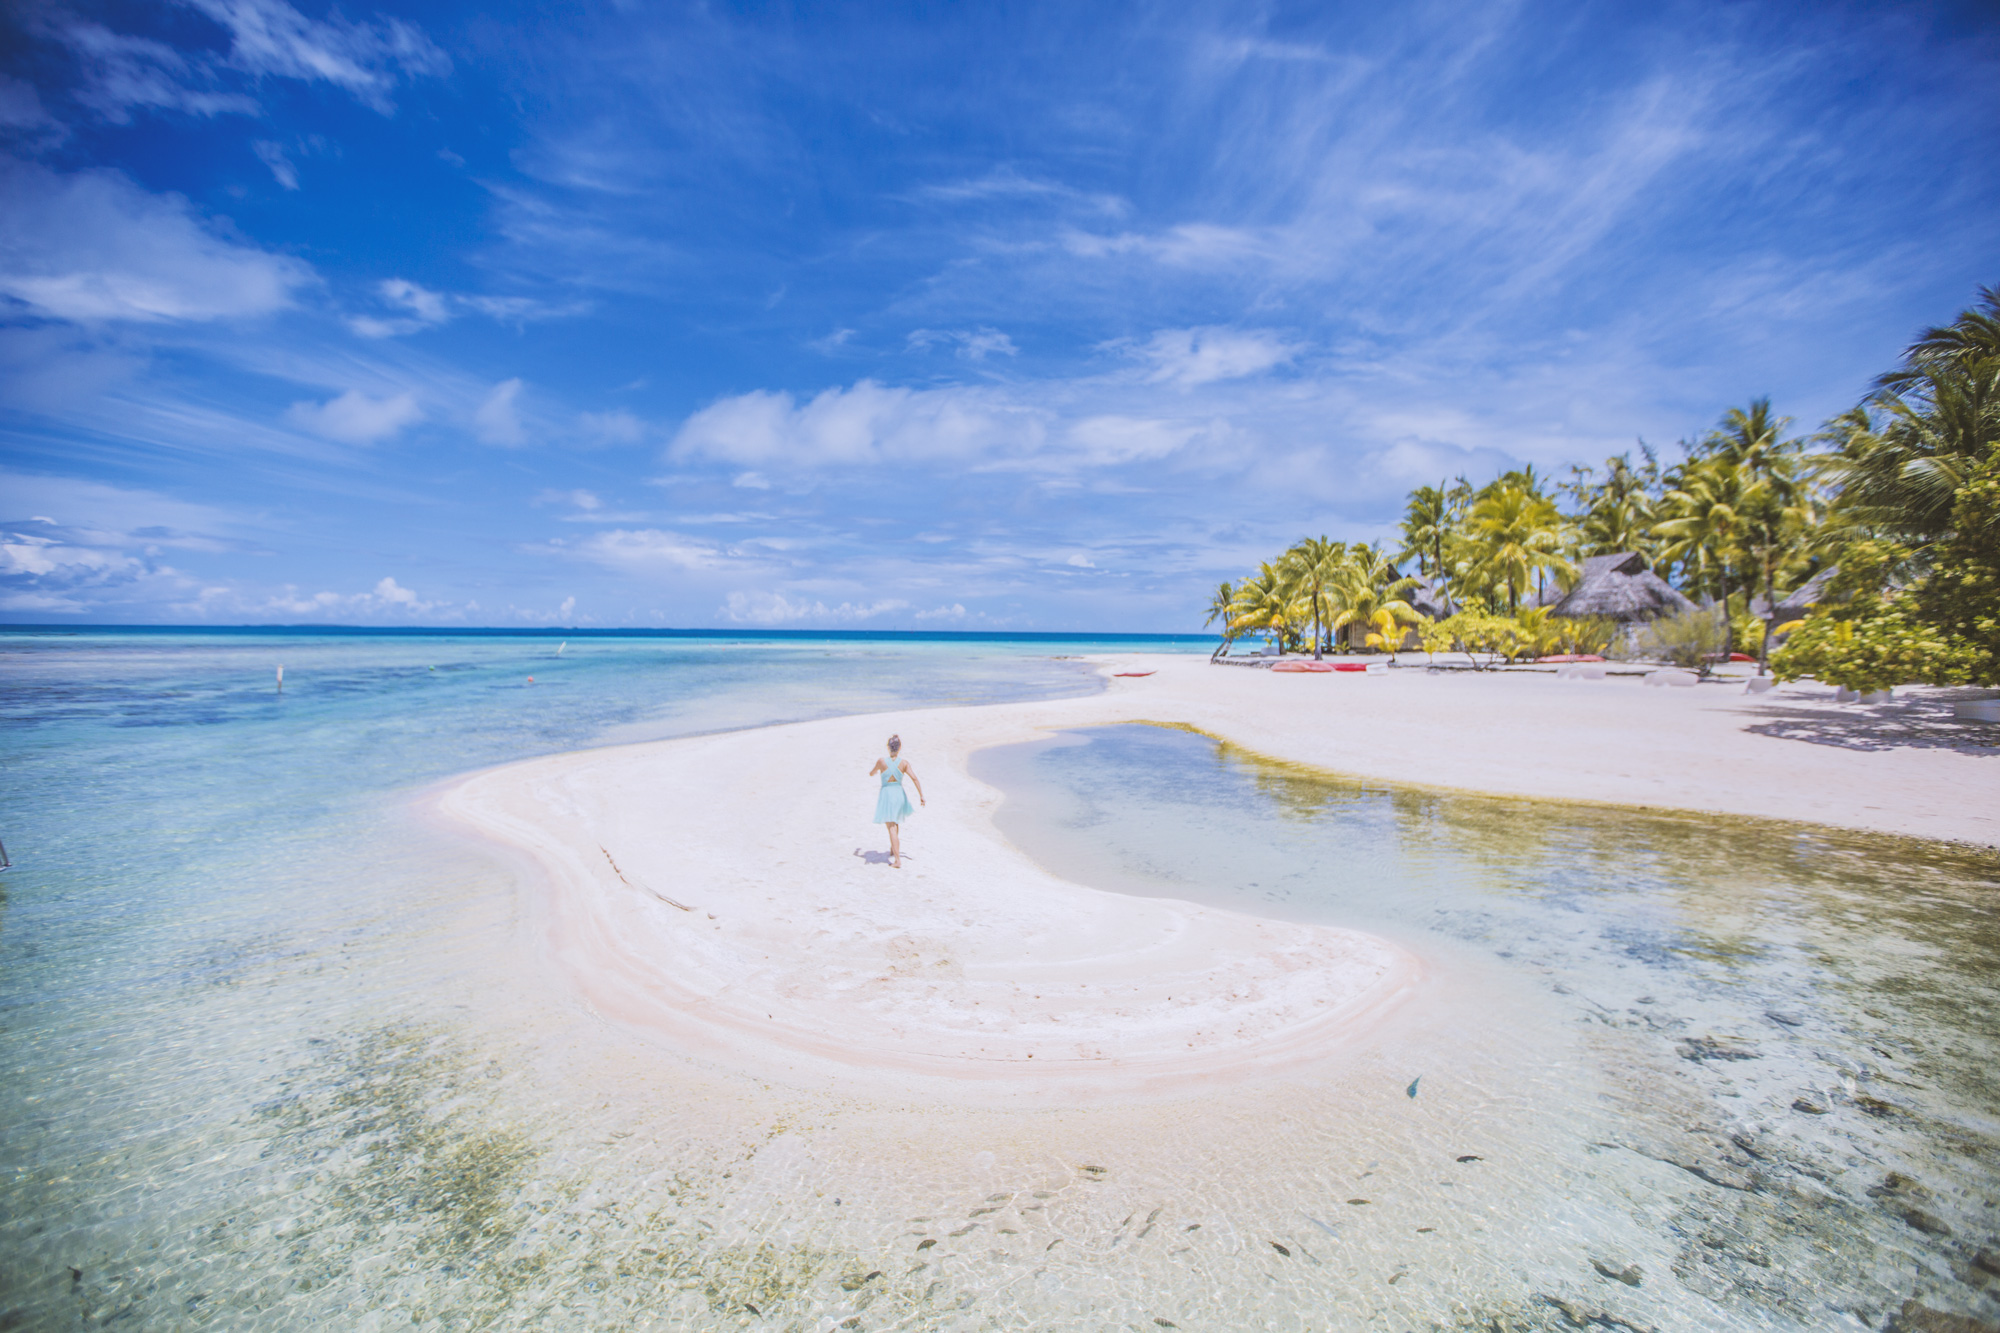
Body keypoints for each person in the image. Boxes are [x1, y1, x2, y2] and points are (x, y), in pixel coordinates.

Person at [868, 734, 926, 868]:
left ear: (888, 747)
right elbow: (915, 778)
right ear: (899, 748)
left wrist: (875, 772)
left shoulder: (881, 761)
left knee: (891, 827)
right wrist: (921, 795)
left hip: (888, 795)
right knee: (895, 823)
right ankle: (893, 849)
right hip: (899, 794)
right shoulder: (904, 763)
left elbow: (872, 773)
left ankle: (897, 860)